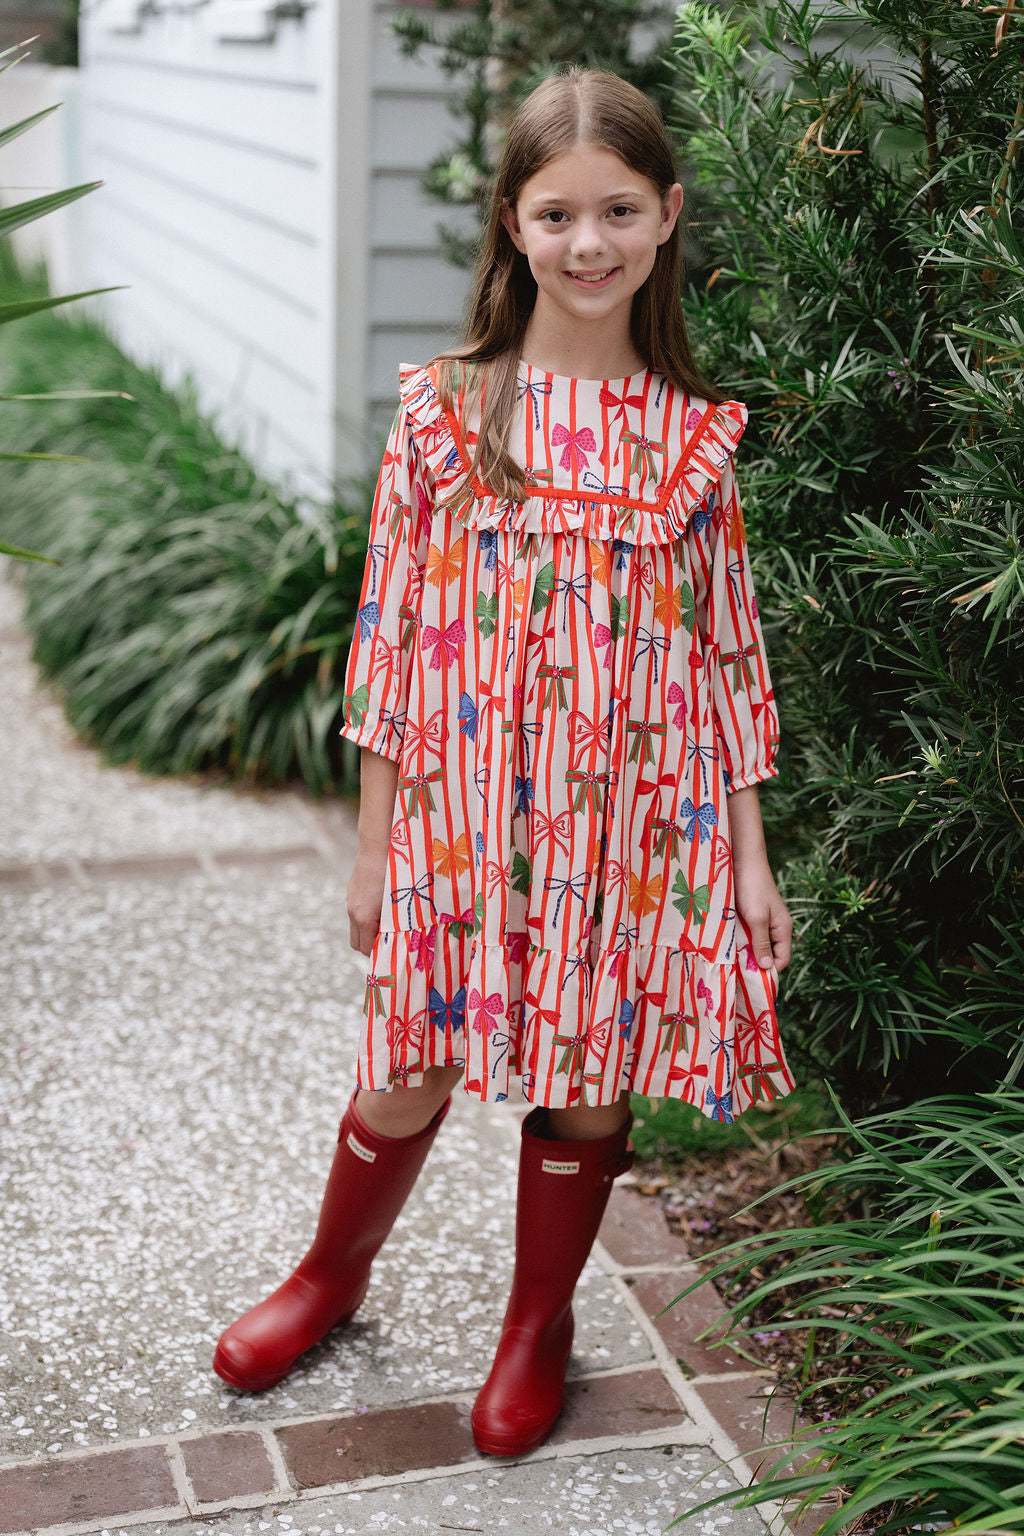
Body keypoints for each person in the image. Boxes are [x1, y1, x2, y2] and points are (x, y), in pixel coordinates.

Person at [213, 66, 795, 1458]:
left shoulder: (696, 444)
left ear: (665, 219)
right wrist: (373, 840)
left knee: (589, 1072)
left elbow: (724, 659)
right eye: (556, 213)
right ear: (512, 225)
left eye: (617, 210)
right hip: (465, 814)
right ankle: (328, 1276)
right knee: (408, 1059)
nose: (587, 243)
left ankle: (537, 1325)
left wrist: (751, 861)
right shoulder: (445, 414)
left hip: (633, 823)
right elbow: (392, 639)